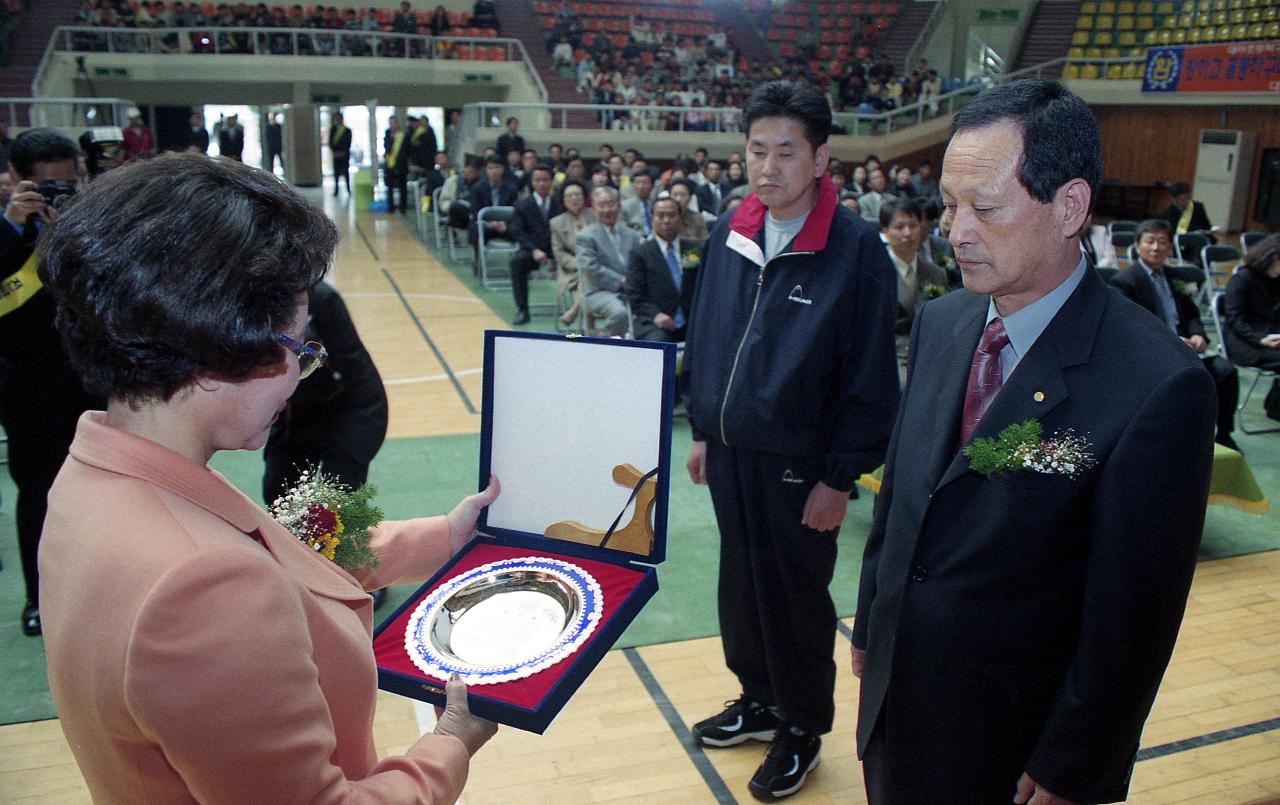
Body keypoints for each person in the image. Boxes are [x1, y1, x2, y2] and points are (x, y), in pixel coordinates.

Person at [37, 153, 499, 802]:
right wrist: (451, 738)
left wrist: (446, 537)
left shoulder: (103, 467)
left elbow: (285, 561)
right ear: (229, 341)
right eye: (300, 349)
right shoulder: (198, 588)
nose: (299, 374)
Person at [853, 79, 1218, 805]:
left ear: (1070, 206)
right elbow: (902, 496)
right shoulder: (944, 321)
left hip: (1014, 744)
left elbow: (1134, 615)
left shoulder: (1155, 383)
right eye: (950, 205)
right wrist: (872, 622)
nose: (955, 231)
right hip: (897, 702)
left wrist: (1076, 760)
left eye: (984, 208)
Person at [683, 80, 899, 802]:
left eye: (785, 152)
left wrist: (839, 476)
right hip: (733, 450)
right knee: (740, 585)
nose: (767, 167)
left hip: (803, 466)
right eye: (756, 150)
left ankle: (802, 725)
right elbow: (709, 335)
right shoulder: (731, 229)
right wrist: (706, 427)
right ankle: (759, 698)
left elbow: (869, 373)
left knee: (794, 597)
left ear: (821, 157)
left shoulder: (856, 248)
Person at [0, 129, 100, 637]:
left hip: (94, 381)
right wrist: (15, 231)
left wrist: (67, 234)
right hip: (28, 388)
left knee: (108, 492)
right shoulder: (5, 232)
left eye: (69, 182)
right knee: (38, 494)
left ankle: (103, 586)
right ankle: (40, 597)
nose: (60, 193)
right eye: (47, 186)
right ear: (17, 179)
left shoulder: (90, 221)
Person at [1111, 218, 1240, 450]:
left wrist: (1198, 334)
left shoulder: (1176, 277)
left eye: (1162, 242)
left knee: (1226, 371)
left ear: (1170, 247)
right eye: (1150, 241)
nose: (1156, 248)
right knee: (1191, 380)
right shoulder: (1125, 281)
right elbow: (1131, 327)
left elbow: (1192, 315)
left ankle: (1224, 433)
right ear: (1137, 245)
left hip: (1188, 349)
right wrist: (1171, 341)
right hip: (1155, 353)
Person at [262, 281, 388, 505]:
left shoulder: (320, 298)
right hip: (298, 414)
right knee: (278, 495)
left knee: (338, 504)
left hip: (351, 408)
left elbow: (349, 370)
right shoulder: (244, 300)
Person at [625, 193, 699, 343]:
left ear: (680, 217)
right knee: (659, 342)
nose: (666, 220)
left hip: (691, 320)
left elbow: (700, 285)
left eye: (671, 215)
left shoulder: (691, 250)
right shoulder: (640, 253)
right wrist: (655, 315)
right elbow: (635, 295)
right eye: (660, 215)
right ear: (652, 218)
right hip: (653, 321)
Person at [1222, 232, 1280, 421]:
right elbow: (1235, 319)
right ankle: (1275, 407)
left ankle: (1275, 404)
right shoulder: (1243, 279)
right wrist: (1260, 339)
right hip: (1245, 342)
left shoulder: (1276, 282)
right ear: (1272, 257)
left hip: (1271, 336)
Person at [576, 185, 639, 337]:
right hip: (598, 291)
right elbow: (591, 268)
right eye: (601, 205)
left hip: (631, 289)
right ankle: (604, 342)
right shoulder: (586, 236)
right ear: (594, 209)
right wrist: (621, 281)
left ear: (619, 206)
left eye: (611, 204)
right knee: (620, 313)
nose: (607, 210)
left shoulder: (631, 234)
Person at [879, 197, 947, 338]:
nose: (908, 233)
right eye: (899, 227)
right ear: (885, 231)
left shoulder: (937, 273)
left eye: (913, 225)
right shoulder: (876, 274)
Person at [508, 163, 562, 326]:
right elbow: (517, 232)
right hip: (533, 250)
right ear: (532, 182)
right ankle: (522, 309)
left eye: (545, 180)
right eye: (538, 180)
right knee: (517, 261)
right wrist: (534, 250)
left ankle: (580, 307)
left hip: (557, 249)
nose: (542, 184)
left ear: (551, 181)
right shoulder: (522, 204)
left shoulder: (560, 203)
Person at [550, 179, 595, 326]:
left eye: (577, 194)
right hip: (572, 270)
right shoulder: (557, 223)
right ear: (563, 199)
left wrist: (589, 264)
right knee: (585, 279)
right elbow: (559, 254)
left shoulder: (595, 216)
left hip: (596, 265)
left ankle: (575, 311)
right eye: (569, 195)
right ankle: (588, 329)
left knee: (587, 279)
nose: (574, 198)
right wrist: (580, 264)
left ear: (584, 198)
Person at [383, 117, 409, 213]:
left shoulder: (403, 135)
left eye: (394, 123)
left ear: (397, 124)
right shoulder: (387, 134)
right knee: (389, 188)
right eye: (390, 123)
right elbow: (386, 148)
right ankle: (391, 207)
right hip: (390, 164)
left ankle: (403, 207)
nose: (392, 125)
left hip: (401, 165)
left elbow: (407, 150)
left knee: (403, 188)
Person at [329, 111, 352, 197]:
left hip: (345, 155)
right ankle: (336, 190)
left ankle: (348, 189)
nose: (337, 120)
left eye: (338, 118)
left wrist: (343, 152)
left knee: (346, 173)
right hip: (336, 155)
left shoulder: (347, 130)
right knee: (336, 173)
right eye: (336, 118)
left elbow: (348, 143)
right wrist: (335, 152)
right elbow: (330, 142)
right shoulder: (333, 129)